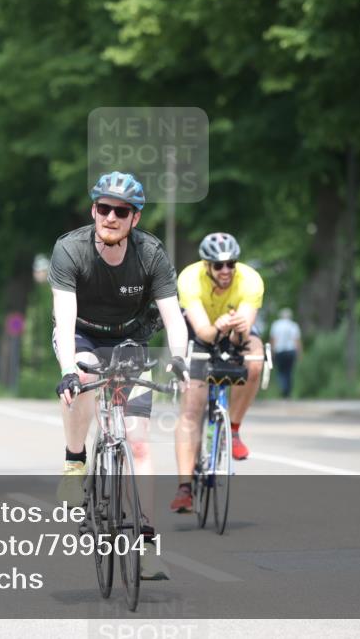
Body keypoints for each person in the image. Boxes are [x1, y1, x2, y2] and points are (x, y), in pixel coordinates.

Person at [49, 170, 189, 581]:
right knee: (81, 378)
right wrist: (67, 370)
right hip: (82, 333)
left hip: (131, 339)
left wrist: (179, 361)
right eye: (104, 208)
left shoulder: (151, 255)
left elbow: (173, 318)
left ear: (135, 219)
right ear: (94, 210)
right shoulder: (69, 250)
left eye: (121, 211)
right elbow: (64, 312)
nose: (111, 217)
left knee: (140, 442)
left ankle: (145, 543)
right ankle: (75, 462)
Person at [171, 232, 265, 513]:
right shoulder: (189, 279)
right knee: (192, 408)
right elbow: (204, 332)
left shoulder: (250, 280)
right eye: (218, 265)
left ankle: (233, 430)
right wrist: (219, 326)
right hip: (202, 333)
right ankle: (185, 487)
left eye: (231, 264)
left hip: (234, 331)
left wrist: (236, 328)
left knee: (256, 357)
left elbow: (243, 337)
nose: (225, 271)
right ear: (206, 266)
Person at [269, 308, 301, 398]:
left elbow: (273, 339)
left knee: (281, 371)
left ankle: (284, 388)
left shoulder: (276, 325)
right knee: (289, 371)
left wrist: (271, 352)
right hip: (291, 351)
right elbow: (296, 341)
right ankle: (287, 390)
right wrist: (299, 353)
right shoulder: (294, 325)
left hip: (279, 351)